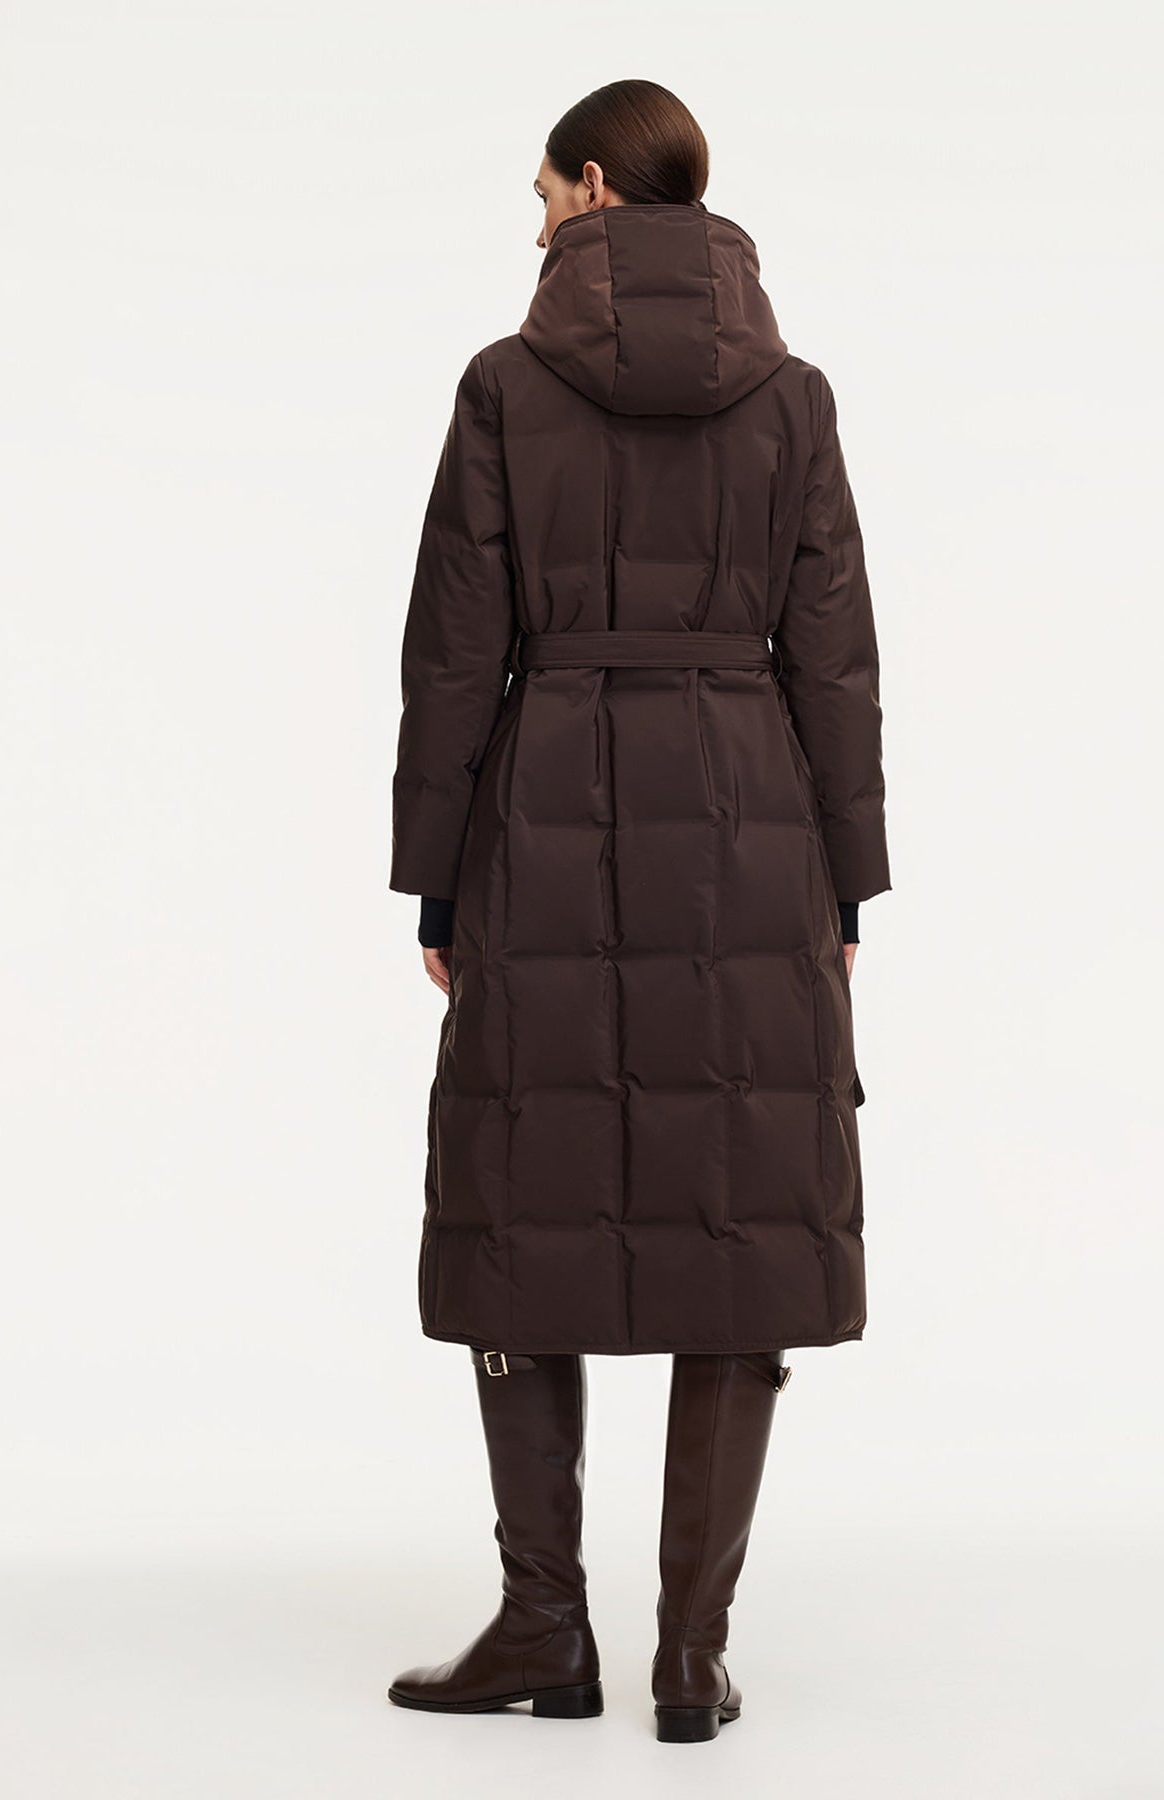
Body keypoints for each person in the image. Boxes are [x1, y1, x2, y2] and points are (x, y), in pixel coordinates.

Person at [385, 79, 890, 1744]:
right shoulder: (793, 398)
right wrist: (844, 883)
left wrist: (437, 874)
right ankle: (689, 1653)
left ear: (595, 187)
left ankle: (546, 1626)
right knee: (740, 1211)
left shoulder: (505, 384)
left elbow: (453, 654)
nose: (535, 223)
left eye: (542, 194)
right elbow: (834, 657)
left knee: (515, 1205)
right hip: (753, 832)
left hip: (539, 813)